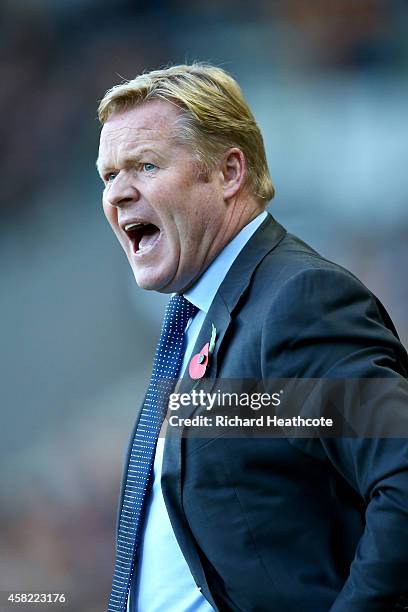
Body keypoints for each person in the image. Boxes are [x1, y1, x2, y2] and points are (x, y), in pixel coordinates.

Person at [96, 63, 408, 612]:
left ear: (228, 171)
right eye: (108, 176)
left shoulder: (300, 301)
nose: (119, 194)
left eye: (144, 166)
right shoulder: (197, 320)